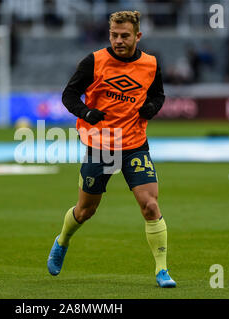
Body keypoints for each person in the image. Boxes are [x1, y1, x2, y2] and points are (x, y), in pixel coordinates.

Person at [47, 10, 176, 288]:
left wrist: (151, 108)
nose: (118, 40)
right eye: (114, 35)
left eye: (125, 35)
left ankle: (162, 270)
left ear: (137, 36)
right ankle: (62, 241)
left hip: (134, 145)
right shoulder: (94, 61)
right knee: (85, 211)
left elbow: (158, 94)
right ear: (109, 34)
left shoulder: (151, 64)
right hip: (101, 146)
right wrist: (86, 112)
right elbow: (68, 95)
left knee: (151, 206)